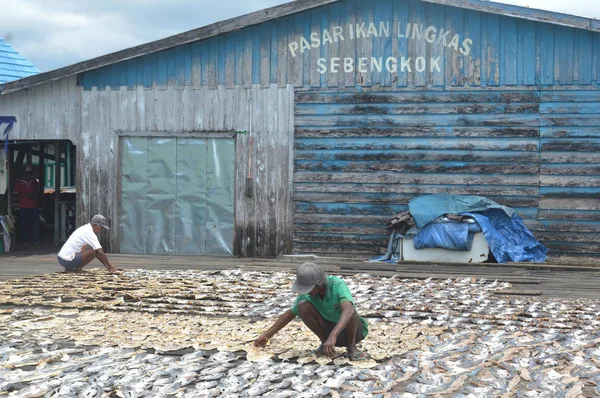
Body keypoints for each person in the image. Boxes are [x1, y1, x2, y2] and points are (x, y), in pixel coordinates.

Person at [254, 262, 369, 359]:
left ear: (320, 284)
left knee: (350, 311)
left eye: (309, 289)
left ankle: (351, 348)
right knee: (302, 306)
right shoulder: (307, 295)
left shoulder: (337, 285)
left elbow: (348, 309)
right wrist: (266, 335)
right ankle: (325, 344)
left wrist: (333, 335)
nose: (307, 292)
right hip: (328, 334)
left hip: (352, 333)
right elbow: (289, 315)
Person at [14, 165, 40, 247]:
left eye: (30, 173)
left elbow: (38, 192)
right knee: (23, 224)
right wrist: (26, 195)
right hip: (23, 206)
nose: (28, 174)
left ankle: (35, 240)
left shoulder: (34, 181)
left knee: (35, 224)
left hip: (33, 205)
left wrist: (34, 195)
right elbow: (15, 193)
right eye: (27, 172)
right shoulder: (19, 181)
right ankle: (24, 240)